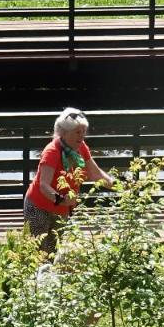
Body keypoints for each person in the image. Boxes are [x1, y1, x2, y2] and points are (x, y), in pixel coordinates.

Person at [23, 108, 115, 253]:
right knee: (39, 253)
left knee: (53, 252)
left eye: (84, 131)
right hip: (38, 207)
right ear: (64, 133)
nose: (82, 136)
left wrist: (119, 185)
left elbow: (95, 174)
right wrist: (62, 200)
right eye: (78, 132)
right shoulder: (52, 151)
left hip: (62, 210)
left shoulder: (81, 147)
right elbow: (43, 185)